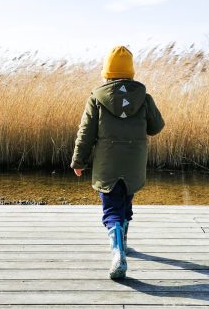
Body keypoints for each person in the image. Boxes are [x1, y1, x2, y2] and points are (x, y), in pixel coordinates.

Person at [70, 45, 165, 279]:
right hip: (134, 163)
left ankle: (118, 252)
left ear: (107, 72)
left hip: (108, 164)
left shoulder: (96, 99)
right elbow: (157, 127)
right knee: (125, 201)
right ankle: (123, 242)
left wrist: (78, 161)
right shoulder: (143, 97)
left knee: (111, 207)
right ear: (130, 72)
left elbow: (86, 133)